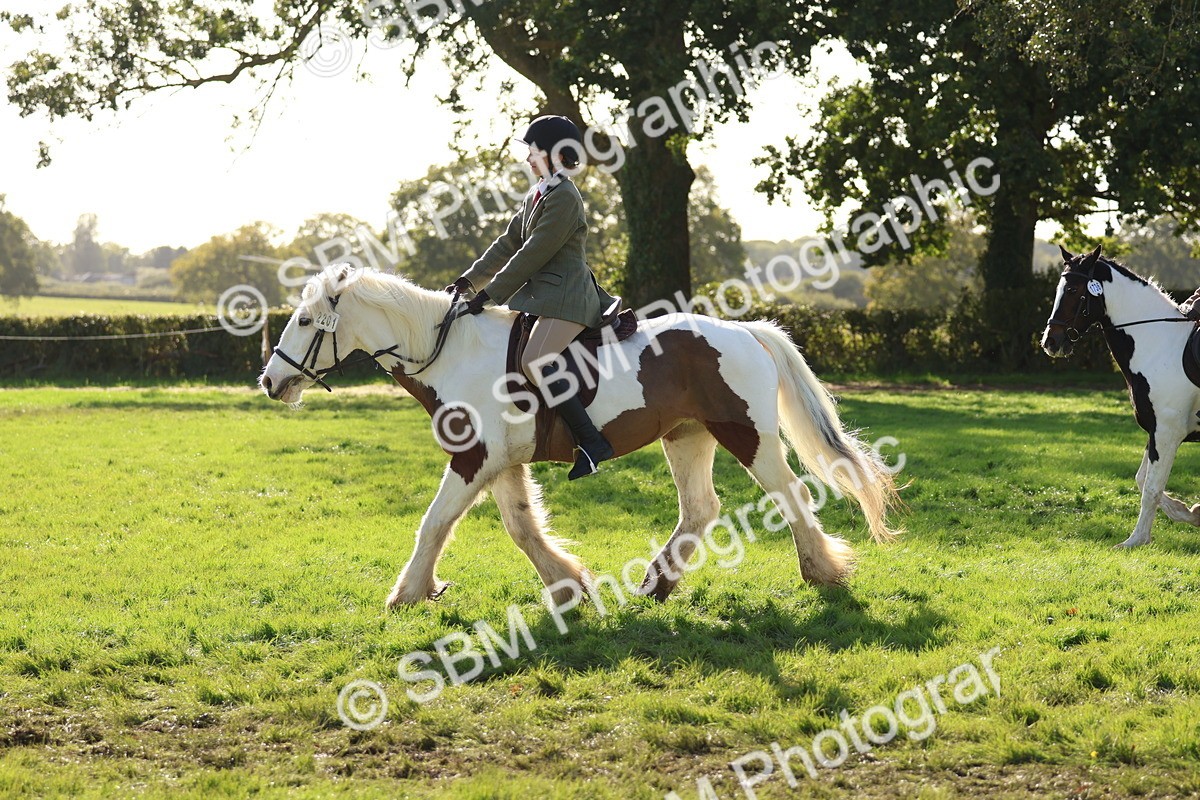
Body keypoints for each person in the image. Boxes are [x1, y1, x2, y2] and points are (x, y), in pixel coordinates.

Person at [445, 115, 619, 480]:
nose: (527, 158)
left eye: (533, 151)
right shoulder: (539, 190)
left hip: (569, 298)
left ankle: (591, 440)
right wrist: (469, 279)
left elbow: (533, 253)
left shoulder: (566, 197)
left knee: (536, 359)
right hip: (543, 300)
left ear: (555, 154)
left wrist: (491, 294)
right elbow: (508, 243)